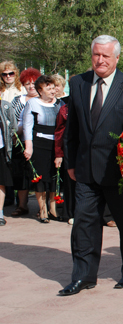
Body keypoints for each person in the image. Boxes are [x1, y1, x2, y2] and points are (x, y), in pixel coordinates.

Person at [61, 35, 123, 296]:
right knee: (83, 225)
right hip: (86, 168)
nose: (100, 60)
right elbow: (71, 128)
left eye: (106, 56)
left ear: (117, 58)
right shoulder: (78, 83)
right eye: (96, 55)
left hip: (119, 171)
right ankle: (83, 276)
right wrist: (71, 161)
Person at [22, 75, 65, 223]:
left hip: (56, 145)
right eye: (49, 88)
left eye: (54, 87)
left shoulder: (60, 103)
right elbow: (28, 126)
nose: (53, 91)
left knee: (54, 177)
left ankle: (53, 209)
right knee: (41, 178)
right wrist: (29, 147)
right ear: (40, 90)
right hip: (39, 144)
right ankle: (42, 210)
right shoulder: (33, 103)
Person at [11, 68, 42, 218]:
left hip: (38, 143)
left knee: (38, 175)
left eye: (34, 83)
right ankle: (22, 205)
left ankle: (42, 208)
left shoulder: (44, 99)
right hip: (19, 142)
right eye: (27, 83)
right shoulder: (17, 100)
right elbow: (10, 120)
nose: (31, 86)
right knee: (20, 175)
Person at [0, 94, 17, 226]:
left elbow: (13, 127)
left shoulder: (5, 105)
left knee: (1, 182)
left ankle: (0, 213)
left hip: (1, 149)